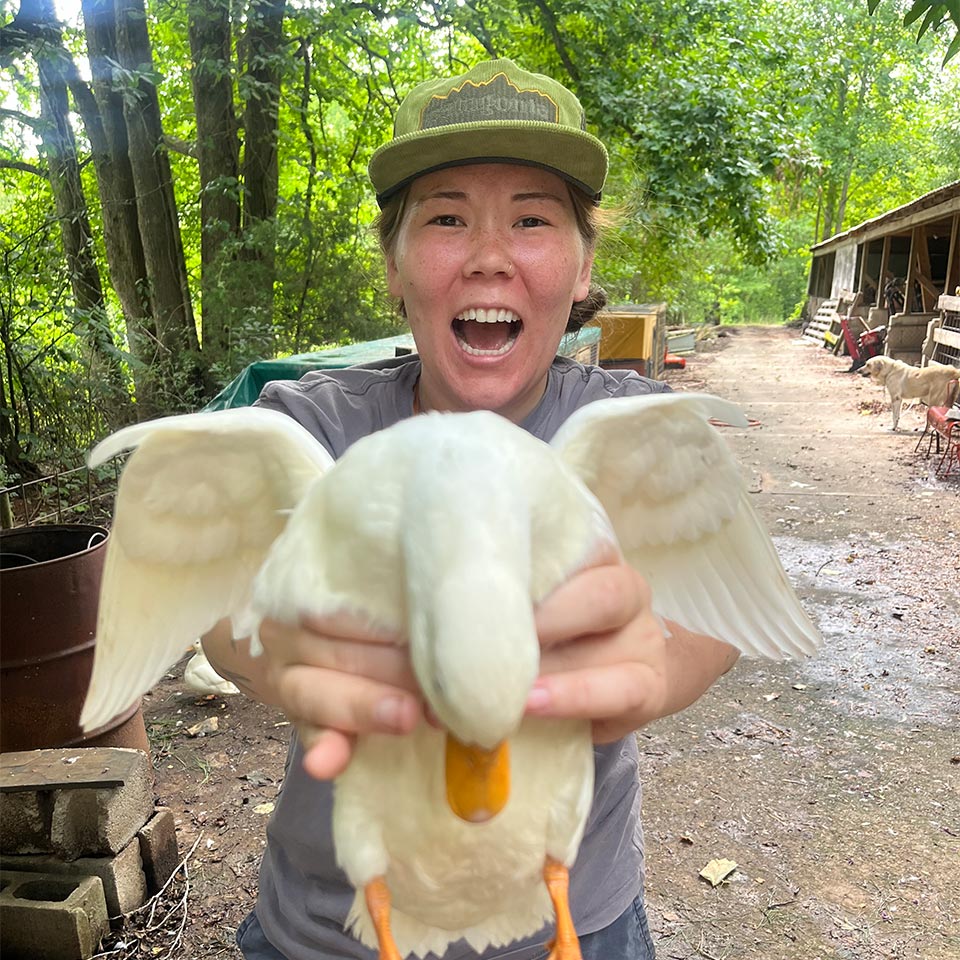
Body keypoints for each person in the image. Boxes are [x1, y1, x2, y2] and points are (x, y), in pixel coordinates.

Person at [202, 58, 740, 960]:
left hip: (576, 929)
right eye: (446, 218)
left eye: (532, 219)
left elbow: (718, 617)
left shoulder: (634, 433)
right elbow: (221, 609)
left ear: (580, 269)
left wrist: (653, 658)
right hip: (325, 933)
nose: (490, 254)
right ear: (396, 267)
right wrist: (283, 641)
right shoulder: (313, 428)